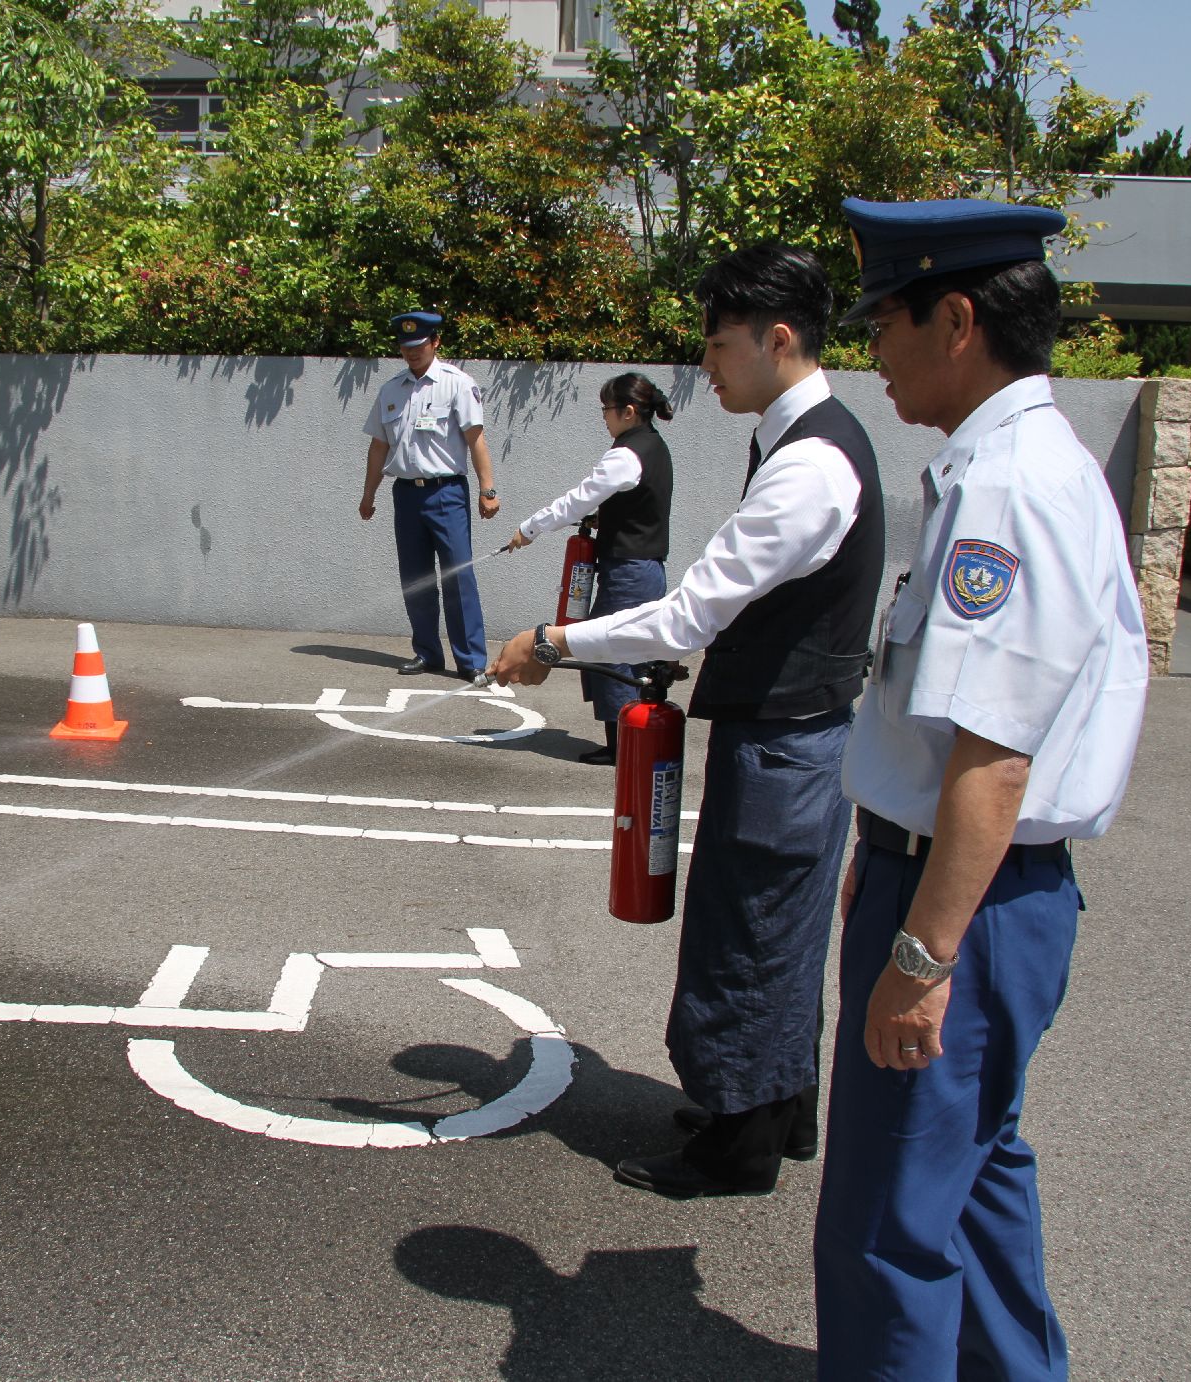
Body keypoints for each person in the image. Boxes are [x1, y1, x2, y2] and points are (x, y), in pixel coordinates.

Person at [814, 197, 1150, 1381]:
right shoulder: (1027, 466)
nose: (874, 351)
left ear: (956, 321)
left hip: (966, 902)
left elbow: (993, 759)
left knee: (887, 1227)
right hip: (978, 894)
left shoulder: (1006, 486)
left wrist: (920, 952)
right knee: (974, 1181)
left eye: (886, 323)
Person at [490, 244, 885, 1198]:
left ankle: (736, 1147)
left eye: (716, 343)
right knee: (774, 933)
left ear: (776, 339)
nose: (703, 366)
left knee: (747, 935)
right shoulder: (805, 439)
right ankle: (777, 1113)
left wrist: (550, 641)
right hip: (793, 732)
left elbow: (687, 613)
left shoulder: (809, 463)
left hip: (786, 745)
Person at [505, 372, 675, 766]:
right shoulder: (654, 446)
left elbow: (577, 501)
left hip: (628, 572)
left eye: (606, 409)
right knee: (633, 652)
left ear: (628, 412)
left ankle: (622, 747)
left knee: (611, 651)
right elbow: (638, 505)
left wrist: (529, 529)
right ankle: (633, 741)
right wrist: (607, 519)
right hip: (645, 568)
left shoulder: (626, 454)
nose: (604, 417)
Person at [360, 311, 500, 684]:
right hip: (406, 495)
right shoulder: (391, 390)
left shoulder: (457, 384)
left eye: (419, 345)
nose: (412, 352)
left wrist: (487, 488)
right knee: (415, 578)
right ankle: (427, 652)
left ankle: (471, 660)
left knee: (458, 576)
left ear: (435, 342)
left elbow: (476, 439)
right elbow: (378, 447)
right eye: (406, 347)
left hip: (446, 493)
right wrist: (368, 493)